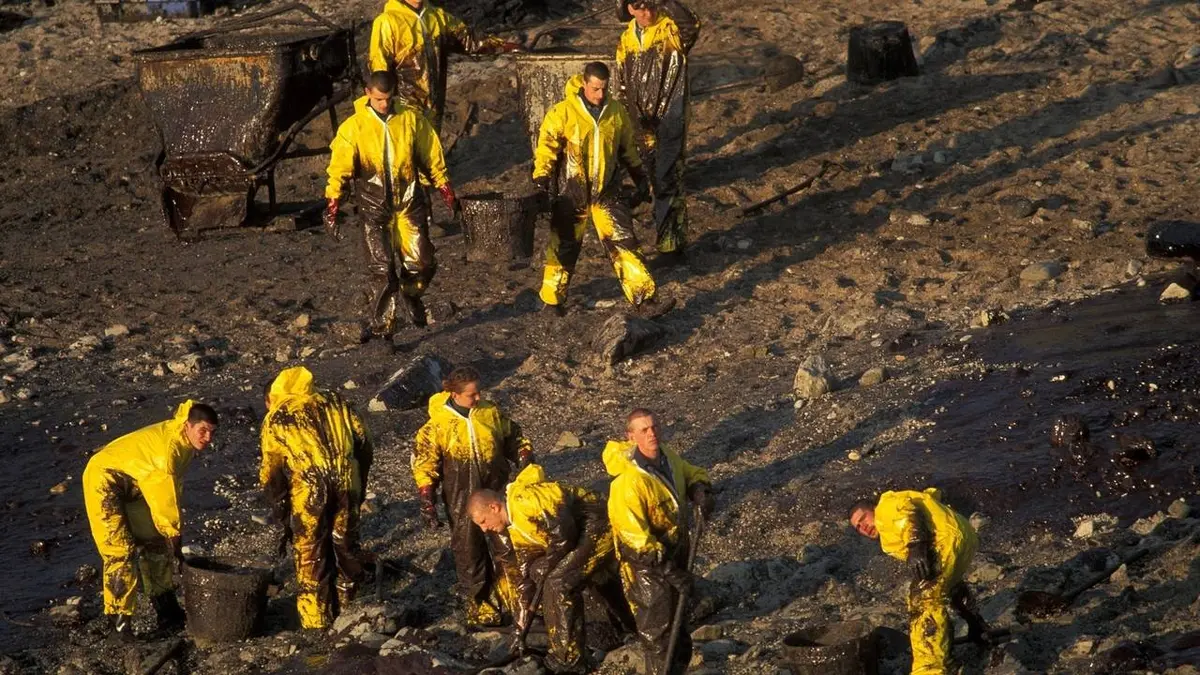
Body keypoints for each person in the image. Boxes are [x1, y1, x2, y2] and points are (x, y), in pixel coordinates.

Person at [532, 61, 673, 319]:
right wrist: (541, 181)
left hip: (607, 192)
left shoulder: (616, 112)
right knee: (563, 244)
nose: (599, 95)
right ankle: (552, 301)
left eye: (604, 89)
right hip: (571, 192)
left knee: (624, 241)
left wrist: (640, 178)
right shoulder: (562, 113)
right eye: (595, 89)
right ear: (584, 83)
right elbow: (546, 149)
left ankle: (645, 300)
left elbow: (628, 148)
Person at [324, 70, 456, 338]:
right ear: (368, 94)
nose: (384, 104)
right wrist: (333, 203)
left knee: (423, 262)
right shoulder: (354, 128)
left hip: (409, 203)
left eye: (388, 98)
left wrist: (444, 187)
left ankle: (411, 294)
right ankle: (384, 330)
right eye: (379, 99)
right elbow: (339, 168)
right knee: (382, 271)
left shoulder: (410, 119)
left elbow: (430, 154)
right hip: (374, 208)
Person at [469, 465, 635, 673]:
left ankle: (568, 659)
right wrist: (521, 628)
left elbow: (564, 534)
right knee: (565, 576)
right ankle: (628, 628)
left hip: (600, 523)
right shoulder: (517, 528)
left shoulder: (525, 500)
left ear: (494, 507)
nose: (484, 529)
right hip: (582, 533)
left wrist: (547, 565)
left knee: (559, 584)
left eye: (483, 521)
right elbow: (525, 578)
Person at [82, 400, 218, 641]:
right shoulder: (167, 452)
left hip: (135, 482)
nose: (208, 438)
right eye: (203, 431)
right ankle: (119, 624)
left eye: (212, 432)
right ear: (188, 425)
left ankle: (166, 609)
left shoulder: (183, 441)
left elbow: (172, 489)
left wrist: (168, 538)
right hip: (104, 479)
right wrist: (174, 537)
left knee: (154, 543)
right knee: (119, 552)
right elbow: (164, 499)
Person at [412, 366, 534, 627]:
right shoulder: (437, 426)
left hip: (495, 491)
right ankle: (481, 606)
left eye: (479, 393)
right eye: (471, 395)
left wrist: (524, 457)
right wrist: (427, 499)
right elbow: (425, 464)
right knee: (469, 551)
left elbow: (514, 436)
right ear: (454, 394)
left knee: (507, 547)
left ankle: (517, 602)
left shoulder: (489, 412)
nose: (477, 398)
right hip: (461, 496)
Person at [260, 366, 374, 630]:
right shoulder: (337, 401)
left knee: (311, 552)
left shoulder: (278, 417)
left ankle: (316, 622)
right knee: (346, 545)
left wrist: (281, 513)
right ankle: (350, 610)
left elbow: (271, 473)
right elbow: (364, 442)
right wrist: (360, 480)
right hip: (348, 482)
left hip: (310, 490)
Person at [602, 408, 714, 675]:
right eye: (644, 430)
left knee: (679, 631)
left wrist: (700, 489)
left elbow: (689, 472)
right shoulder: (627, 483)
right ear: (630, 436)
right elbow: (635, 541)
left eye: (654, 427)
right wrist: (669, 572)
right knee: (658, 636)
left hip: (674, 552)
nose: (652, 434)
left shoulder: (667, 458)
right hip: (646, 570)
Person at [850, 489, 990, 675]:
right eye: (858, 528)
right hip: (961, 537)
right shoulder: (888, 528)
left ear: (872, 509)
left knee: (923, 601)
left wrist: (916, 544)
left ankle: (929, 669)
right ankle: (977, 627)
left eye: (863, 519)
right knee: (946, 586)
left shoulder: (886, 507)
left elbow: (909, 514)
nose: (863, 528)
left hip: (945, 540)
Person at [615, 0, 700, 263]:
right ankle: (667, 238)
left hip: (670, 116)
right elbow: (622, 82)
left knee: (668, 177)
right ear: (630, 9)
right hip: (642, 120)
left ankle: (671, 247)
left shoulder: (670, 29)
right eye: (640, 7)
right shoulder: (626, 39)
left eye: (651, 6)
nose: (647, 13)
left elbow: (691, 24)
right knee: (653, 176)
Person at [368, 0, 521, 132]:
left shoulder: (437, 17)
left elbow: (469, 41)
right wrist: (384, 104)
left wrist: (507, 46)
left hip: (435, 102)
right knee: (405, 151)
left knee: (431, 152)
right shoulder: (388, 21)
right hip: (404, 103)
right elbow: (379, 68)